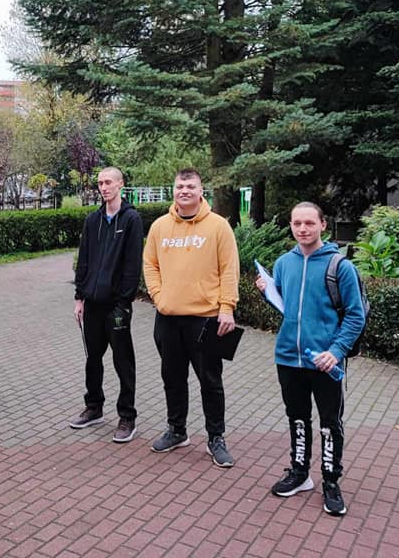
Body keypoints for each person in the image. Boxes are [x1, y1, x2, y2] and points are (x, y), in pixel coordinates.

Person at [255, 201, 365, 517]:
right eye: (297, 223)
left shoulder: (340, 266)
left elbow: (355, 316)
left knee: (330, 423)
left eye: (309, 223)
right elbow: (287, 307)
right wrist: (266, 291)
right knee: (297, 418)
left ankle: (331, 481)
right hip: (288, 357)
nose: (303, 229)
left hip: (325, 360)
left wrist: (336, 352)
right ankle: (300, 473)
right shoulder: (283, 263)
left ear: (322, 225)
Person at [143, 168, 239, 467]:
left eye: (190, 186)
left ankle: (216, 437)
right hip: (168, 318)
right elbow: (150, 264)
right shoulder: (160, 227)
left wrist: (227, 307)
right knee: (172, 378)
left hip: (206, 319)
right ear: (173, 190)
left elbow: (229, 269)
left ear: (201, 191)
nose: (184, 191)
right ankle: (177, 430)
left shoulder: (218, 226)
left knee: (210, 381)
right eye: (179, 186)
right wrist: (159, 297)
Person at [68, 167, 144, 443]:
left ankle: (127, 416)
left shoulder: (132, 219)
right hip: (92, 304)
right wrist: (80, 297)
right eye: (100, 183)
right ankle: (94, 407)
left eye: (108, 182)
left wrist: (124, 302)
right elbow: (84, 259)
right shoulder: (93, 220)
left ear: (120, 184)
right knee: (93, 358)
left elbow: (133, 265)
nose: (104, 187)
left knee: (123, 361)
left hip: (116, 306)